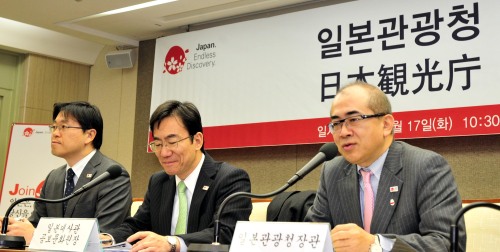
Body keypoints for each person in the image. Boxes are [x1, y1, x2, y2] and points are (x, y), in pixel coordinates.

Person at [304, 81, 466, 251]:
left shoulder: (425, 167)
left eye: (354, 119)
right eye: (336, 123)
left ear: (386, 125)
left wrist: (377, 244)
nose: (344, 132)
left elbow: (446, 243)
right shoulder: (332, 171)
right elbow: (312, 238)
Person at [101, 100, 252, 252]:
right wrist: (107, 238)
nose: (164, 153)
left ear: (197, 141)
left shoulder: (230, 179)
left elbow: (227, 234)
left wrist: (173, 243)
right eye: (158, 144)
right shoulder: (158, 182)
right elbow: (137, 226)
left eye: (172, 142)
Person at [1, 101, 132, 244]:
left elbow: (102, 236)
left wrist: (37, 235)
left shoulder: (112, 176)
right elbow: (36, 224)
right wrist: (13, 229)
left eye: (63, 127)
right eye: (54, 127)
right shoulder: (54, 177)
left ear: (89, 135)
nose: (55, 134)